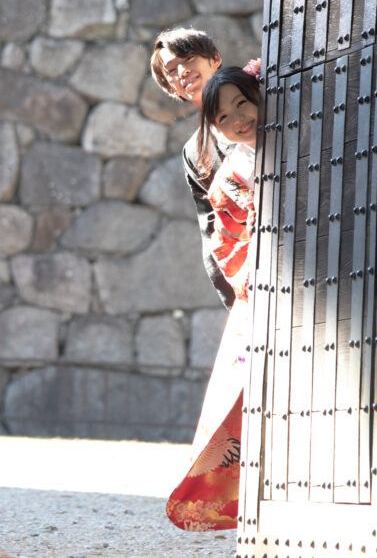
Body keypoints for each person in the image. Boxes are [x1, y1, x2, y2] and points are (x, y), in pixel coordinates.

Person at [165, 62, 262, 532]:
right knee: (241, 404)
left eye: (243, 103)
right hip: (261, 290)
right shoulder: (230, 174)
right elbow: (225, 242)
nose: (237, 119)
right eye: (224, 118)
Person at [149, 28, 234, 308]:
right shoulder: (195, 151)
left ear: (215, 58)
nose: (182, 71)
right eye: (172, 70)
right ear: (171, 88)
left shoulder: (265, 97)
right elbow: (212, 228)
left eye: (188, 58)